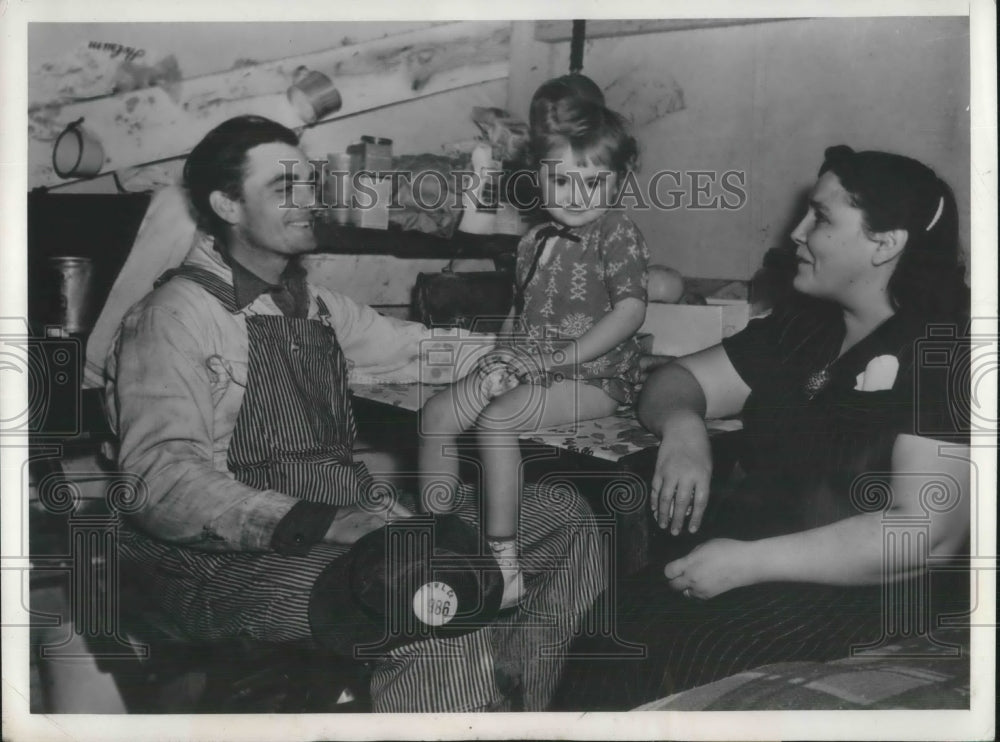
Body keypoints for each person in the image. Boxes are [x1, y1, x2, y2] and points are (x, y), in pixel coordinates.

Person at [105, 115, 606, 712]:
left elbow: (416, 348)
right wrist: (327, 521)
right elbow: (159, 484)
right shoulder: (172, 317)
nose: (310, 199)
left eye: (309, 182)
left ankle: (510, 706)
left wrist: (545, 354)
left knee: (564, 518)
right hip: (213, 563)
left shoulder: (311, 305)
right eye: (283, 188)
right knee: (427, 594)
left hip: (350, 526)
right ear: (228, 205)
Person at [552, 145, 972, 709]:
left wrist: (748, 562)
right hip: (751, 567)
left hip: (874, 597)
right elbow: (678, 379)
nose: (796, 233)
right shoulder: (807, 326)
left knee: (688, 654)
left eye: (820, 218)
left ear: (886, 243)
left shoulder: (951, 347)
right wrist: (683, 430)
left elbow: (928, 535)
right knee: (618, 622)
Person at [419, 98, 650, 608]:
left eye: (593, 181)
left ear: (621, 180)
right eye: (560, 181)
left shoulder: (616, 232)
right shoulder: (534, 239)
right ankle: (441, 536)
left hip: (594, 377)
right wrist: (502, 355)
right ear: (536, 179)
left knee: (497, 422)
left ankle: (505, 563)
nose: (576, 195)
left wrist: (548, 362)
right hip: (529, 365)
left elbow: (630, 312)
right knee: (437, 413)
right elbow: (520, 312)